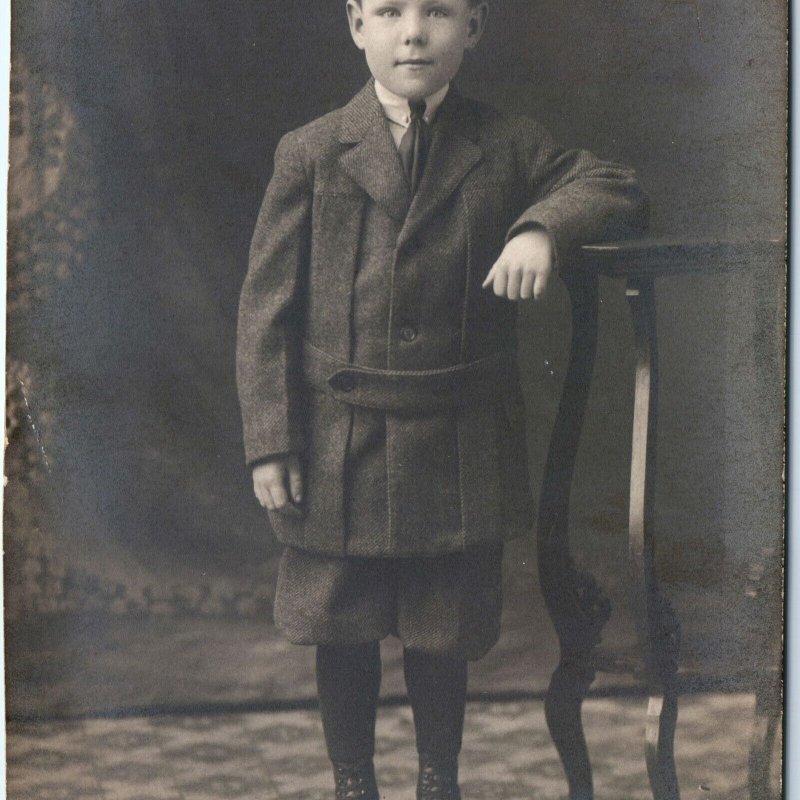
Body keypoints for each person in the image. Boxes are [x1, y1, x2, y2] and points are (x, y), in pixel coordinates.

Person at [236, 1, 648, 797]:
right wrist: (269, 441)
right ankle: (352, 780)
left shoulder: (505, 144)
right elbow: (264, 311)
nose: (414, 32)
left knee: (442, 629)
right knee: (341, 626)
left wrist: (541, 230)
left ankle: (439, 780)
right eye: (390, 11)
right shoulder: (314, 153)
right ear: (356, 24)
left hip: (455, 443)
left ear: (476, 27)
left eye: (439, 11)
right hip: (337, 445)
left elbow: (611, 182)